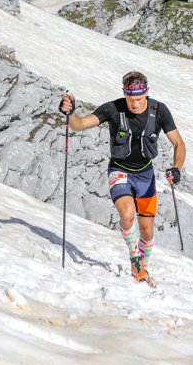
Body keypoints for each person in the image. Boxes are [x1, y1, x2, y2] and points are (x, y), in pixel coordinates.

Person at [59, 71, 185, 284]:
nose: (135, 104)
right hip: (119, 170)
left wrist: (176, 168)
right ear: (124, 94)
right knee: (127, 215)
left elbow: (179, 144)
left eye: (139, 99)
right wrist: (70, 113)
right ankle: (134, 257)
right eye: (130, 99)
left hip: (146, 175)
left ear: (147, 93)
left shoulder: (160, 111)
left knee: (147, 231)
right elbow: (79, 125)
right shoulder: (112, 109)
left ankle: (141, 270)